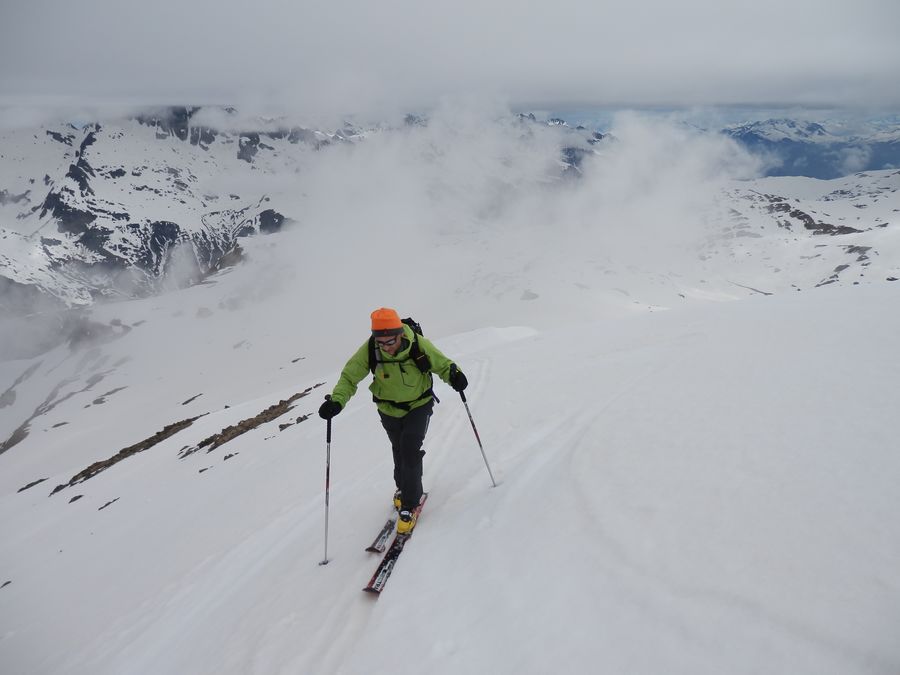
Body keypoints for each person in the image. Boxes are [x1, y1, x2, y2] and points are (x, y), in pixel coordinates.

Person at [318, 307, 468, 534]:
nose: (387, 346)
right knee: (398, 448)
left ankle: (410, 503)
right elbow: (350, 376)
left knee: (409, 449)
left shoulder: (417, 343)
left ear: (400, 333)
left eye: (390, 341)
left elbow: (442, 364)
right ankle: (402, 488)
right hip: (388, 409)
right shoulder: (371, 349)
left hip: (419, 405)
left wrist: (454, 376)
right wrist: (337, 402)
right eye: (382, 342)